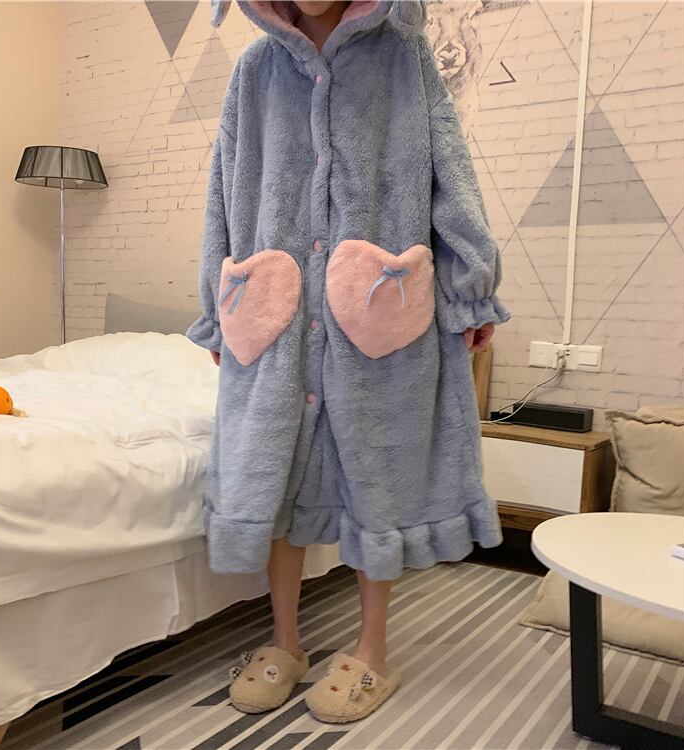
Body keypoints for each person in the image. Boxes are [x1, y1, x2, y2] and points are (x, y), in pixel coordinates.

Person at [187, 0, 511, 723]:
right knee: (277, 468)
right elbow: (221, 186)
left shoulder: (403, 55)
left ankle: (372, 650)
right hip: (274, 305)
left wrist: (470, 287)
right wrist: (219, 307)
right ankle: (285, 641)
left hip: (376, 301)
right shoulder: (255, 69)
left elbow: (451, 170)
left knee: (377, 472)